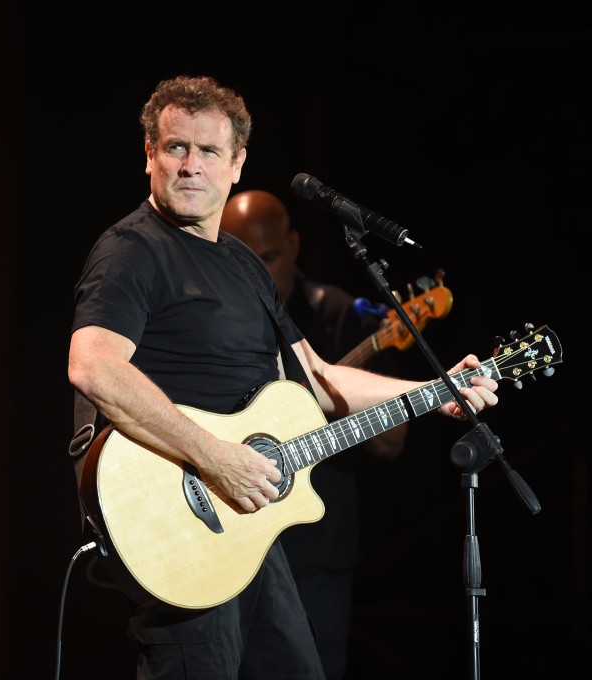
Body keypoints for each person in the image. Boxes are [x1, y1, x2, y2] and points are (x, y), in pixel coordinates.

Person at [67, 74, 499, 680]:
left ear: (237, 163)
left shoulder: (244, 264)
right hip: (181, 518)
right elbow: (93, 366)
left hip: (242, 526)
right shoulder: (131, 251)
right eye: (175, 148)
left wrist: (435, 393)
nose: (191, 165)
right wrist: (215, 457)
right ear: (149, 156)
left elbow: (318, 380)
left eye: (209, 151)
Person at [220, 189, 407, 679]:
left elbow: (393, 443)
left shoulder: (342, 313)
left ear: (295, 245)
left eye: (271, 256)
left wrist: (335, 411)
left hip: (316, 549)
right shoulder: (214, 318)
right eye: (244, 257)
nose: (259, 270)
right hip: (230, 538)